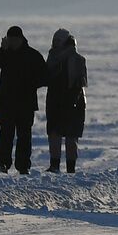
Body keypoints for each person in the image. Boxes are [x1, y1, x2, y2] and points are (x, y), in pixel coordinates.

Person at [0, 25, 47, 174]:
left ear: (21, 39)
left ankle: (23, 166)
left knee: (24, 135)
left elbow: (45, 76)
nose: (12, 43)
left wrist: (30, 85)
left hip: (26, 103)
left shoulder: (33, 55)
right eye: (9, 40)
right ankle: (2, 164)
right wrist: (1, 50)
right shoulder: (4, 53)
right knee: (6, 135)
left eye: (14, 40)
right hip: (6, 103)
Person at [44, 28, 87, 173]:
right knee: (54, 134)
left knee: (70, 136)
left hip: (73, 102)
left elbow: (79, 83)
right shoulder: (52, 57)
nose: (55, 44)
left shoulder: (77, 59)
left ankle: (70, 168)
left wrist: (72, 101)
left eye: (58, 41)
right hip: (55, 101)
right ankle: (54, 165)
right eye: (54, 41)